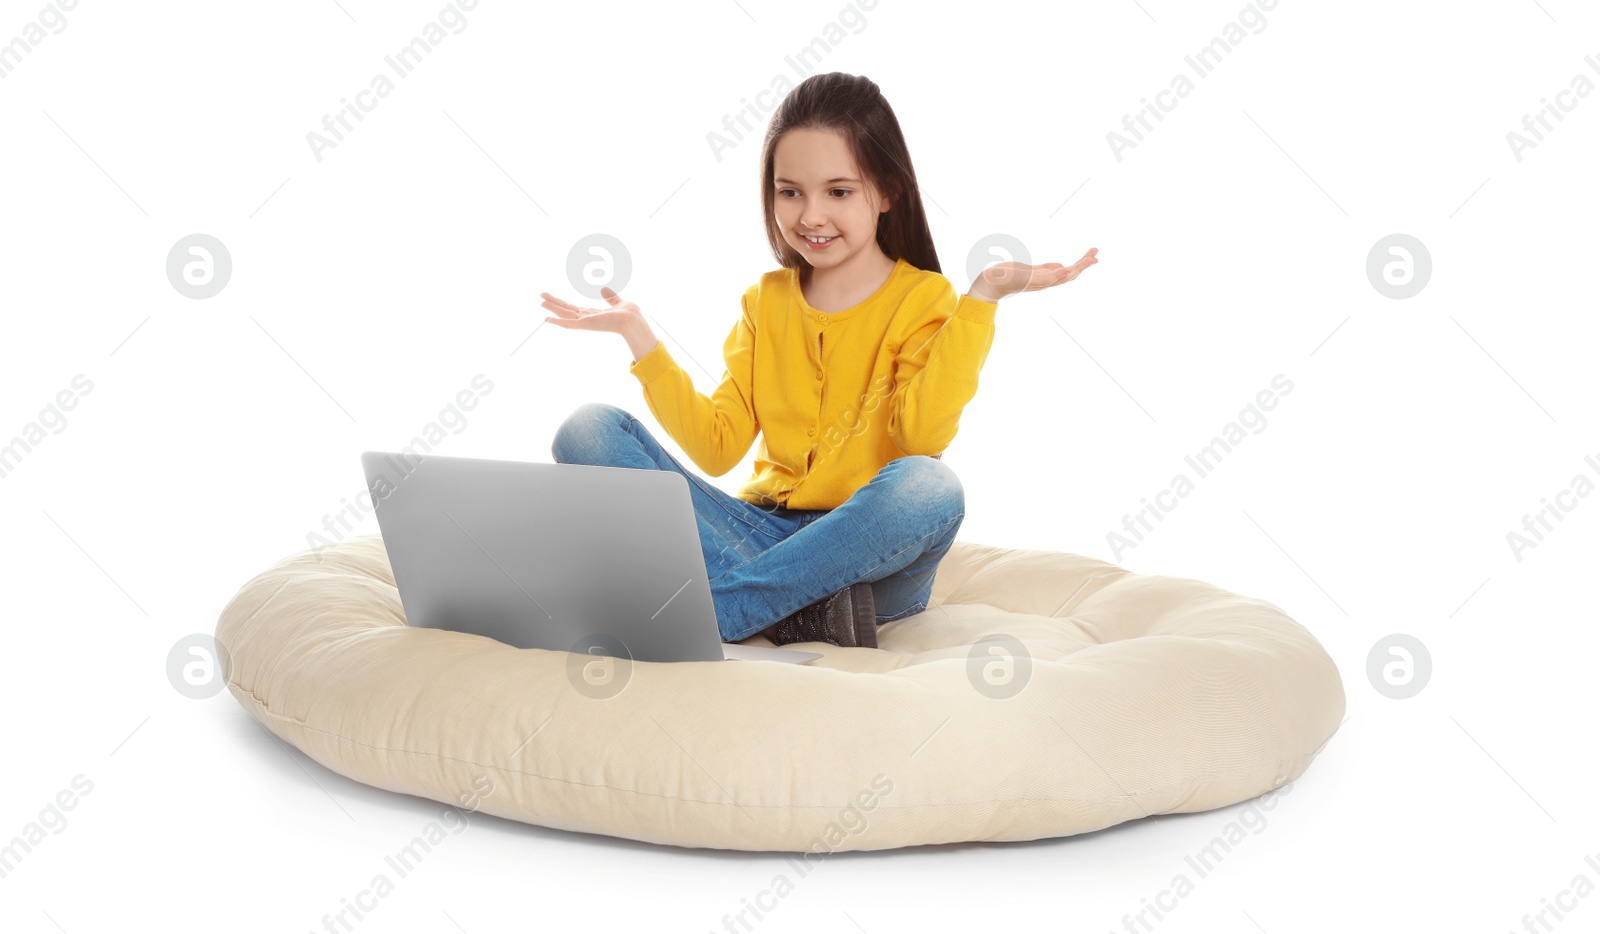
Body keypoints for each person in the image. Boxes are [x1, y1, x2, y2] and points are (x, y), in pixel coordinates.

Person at [539, 72, 1097, 649]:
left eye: (838, 191)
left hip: (865, 560)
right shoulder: (766, 300)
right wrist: (640, 338)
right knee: (588, 430)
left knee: (930, 486)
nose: (810, 215)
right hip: (759, 535)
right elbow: (716, 446)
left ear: (885, 191)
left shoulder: (924, 298)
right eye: (790, 192)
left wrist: (982, 297)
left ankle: (717, 611)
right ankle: (789, 611)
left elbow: (919, 435)